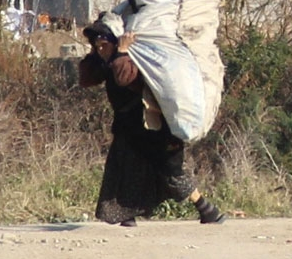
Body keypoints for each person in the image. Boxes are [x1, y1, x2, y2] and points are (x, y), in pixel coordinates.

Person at [79, 15, 225, 227]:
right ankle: (126, 216)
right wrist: (97, 54)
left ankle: (207, 209)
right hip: (128, 128)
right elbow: (86, 79)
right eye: (96, 46)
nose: (100, 50)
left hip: (153, 127)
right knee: (124, 170)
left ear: (115, 41)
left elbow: (125, 78)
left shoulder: (132, 59)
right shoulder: (107, 61)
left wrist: (121, 51)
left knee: (169, 171)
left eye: (103, 45)